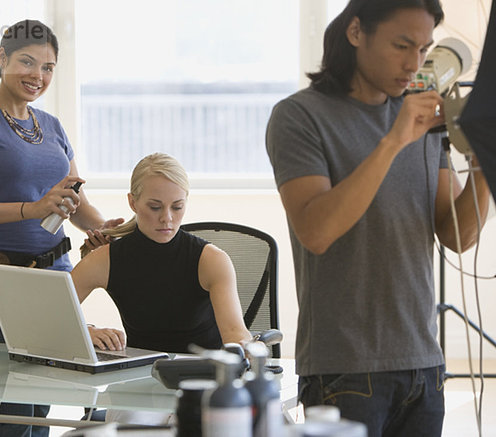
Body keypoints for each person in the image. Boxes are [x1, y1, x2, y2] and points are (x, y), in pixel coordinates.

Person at [265, 1, 491, 436]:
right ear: (355, 32)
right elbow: (316, 230)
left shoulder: (422, 119)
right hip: (344, 372)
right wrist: (393, 141)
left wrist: (486, 161)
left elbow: (457, 235)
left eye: (424, 49)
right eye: (401, 45)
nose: (414, 64)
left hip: (424, 366)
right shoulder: (300, 116)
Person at [0, 19, 122, 437]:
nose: (37, 76)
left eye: (48, 67)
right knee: (18, 411)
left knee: (42, 404)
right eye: (26, 61)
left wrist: (105, 229)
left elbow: (73, 203)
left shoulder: (52, 125)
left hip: (55, 278)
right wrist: (32, 208)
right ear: (1, 58)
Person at [72, 152, 253, 354]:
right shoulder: (105, 260)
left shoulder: (211, 260)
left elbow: (235, 334)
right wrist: (86, 331)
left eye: (177, 207)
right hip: (137, 378)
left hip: (206, 376)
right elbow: (47, 316)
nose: (167, 218)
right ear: (133, 203)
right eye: (155, 207)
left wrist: (247, 347)